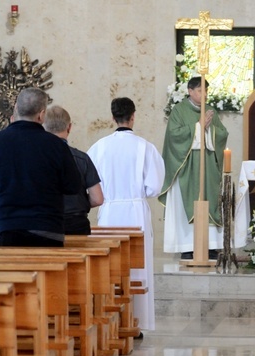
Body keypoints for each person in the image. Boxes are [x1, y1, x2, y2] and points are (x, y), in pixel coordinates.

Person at [88, 97, 165, 333]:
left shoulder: (98, 147)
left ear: (113, 118)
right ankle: (137, 323)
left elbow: (89, 183)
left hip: (109, 211)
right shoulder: (145, 147)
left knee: (109, 267)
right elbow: (154, 187)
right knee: (137, 269)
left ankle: (111, 324)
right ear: (133, 117)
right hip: (135, 213)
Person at [0, 88, 80, 247]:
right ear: (42, 115)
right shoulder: (56, 145)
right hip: (47, 229)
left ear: (16, 108)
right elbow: (73, 186)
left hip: (6, 227)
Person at [159, 77, 228, 260]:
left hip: (207, 168)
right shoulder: (179, 111)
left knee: (210, 202)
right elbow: (174, 136)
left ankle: (211, 246)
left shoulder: (211, 112)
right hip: (187, 167)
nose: (204, 94)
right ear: (190, 91)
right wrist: (198, 127)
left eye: (206, 90)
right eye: (200, 90)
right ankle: (187, 245)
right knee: (187, 204)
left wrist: (209, 130)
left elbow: (222, 134)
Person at [43, 105, 104, 235]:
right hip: (77, 224)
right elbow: (97, 198)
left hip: (47, 224)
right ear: (69, 127)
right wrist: (79, 201)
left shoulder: (36, 157)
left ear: (44, 127)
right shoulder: (82, 158)